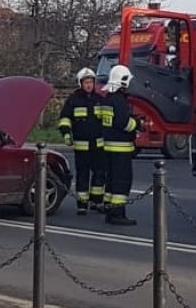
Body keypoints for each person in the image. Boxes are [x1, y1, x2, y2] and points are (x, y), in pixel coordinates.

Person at [57, 68, 105, 215]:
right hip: (81, 145)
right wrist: (66, 134)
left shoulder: (99, 99)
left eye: (91, 82)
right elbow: (65, 118)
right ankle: (82, 203)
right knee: (82, 174)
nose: (89, 85)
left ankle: (97, 202)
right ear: (80, 83)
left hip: (99, 144)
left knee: (99, 173)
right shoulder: (73, 100)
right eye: (86, 82)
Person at [96, 64, 140, 226]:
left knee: (111, 181)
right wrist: (137, 123)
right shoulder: (120, 101)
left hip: (108, 146)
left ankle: (109, 210)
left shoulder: (107, 99)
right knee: (122, 181)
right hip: (121, 148)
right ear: (122, 81)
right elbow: (124, 123)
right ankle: (117, 214)